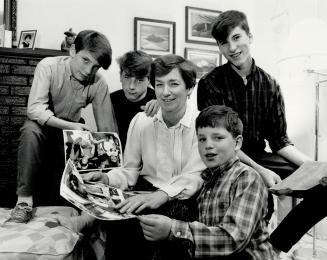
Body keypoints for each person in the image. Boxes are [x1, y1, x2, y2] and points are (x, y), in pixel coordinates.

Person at [59, 54, 206, 259]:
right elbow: (129, 170)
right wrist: (106, 178)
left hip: (183, 198)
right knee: (121, 227)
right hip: (143, 190)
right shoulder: (141, 121)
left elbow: (195, 176)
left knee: (165, 241)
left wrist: (161, 196)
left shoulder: (203, 124)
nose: (165, 92)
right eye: (160, 84)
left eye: (174, 84)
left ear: (189, 88)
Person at [138, 105, 276, 260]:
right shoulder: (206, 179)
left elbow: (232, 240)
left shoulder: (247, 178)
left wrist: (172, 228)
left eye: (218, 137)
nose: (208, 145)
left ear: (237, 143)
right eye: (202, 139)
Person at [10, 29, 118, 223]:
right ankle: (23, 202)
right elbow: (34, 110)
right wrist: (70, 125)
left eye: (95, 67)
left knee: (86, 142)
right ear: (72, 50)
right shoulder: (48, 66)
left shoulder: (99, 83)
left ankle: (77, 200)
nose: (88, 71)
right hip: (42, 127)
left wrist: (110, 175)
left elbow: (107, 130)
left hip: (70, 132)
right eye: (85, 60)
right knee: (30, 130)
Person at [110, 50, 158, 150]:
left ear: (149, 80)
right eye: (127, 77)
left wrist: (163, 109)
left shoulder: (159, 100)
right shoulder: (109, 100)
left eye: (139, 79)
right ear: (120, 76)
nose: (131, 86)